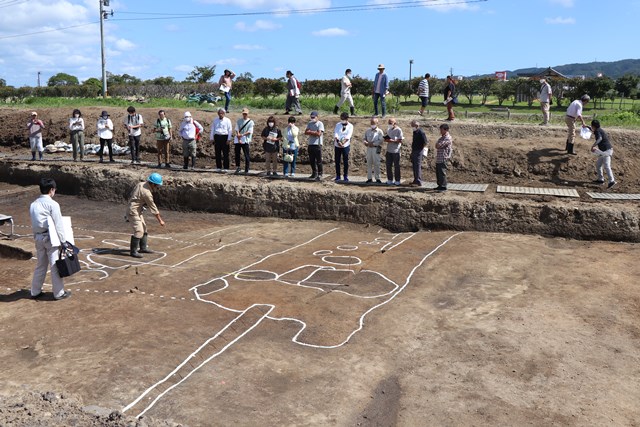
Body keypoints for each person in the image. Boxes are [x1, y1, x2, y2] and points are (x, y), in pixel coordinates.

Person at [29, 177, 71, 300]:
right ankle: (58, 293)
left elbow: (34, 222)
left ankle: (35, 291)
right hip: (50, 238)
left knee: (40, 265)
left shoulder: (33, 204)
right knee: (55, 265)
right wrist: (63, 241)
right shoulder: (53, 204)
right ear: (51, 190)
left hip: (38, 237)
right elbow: (58, 225)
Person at [126, 173, 165, 258]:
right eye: (157, 186)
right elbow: (153, 208)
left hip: (137, 209)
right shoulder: (147, 193)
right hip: (133, 211)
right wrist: (160, 220)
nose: (158, 188)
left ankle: (143, 248)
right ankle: (133, 252)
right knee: (139, 231)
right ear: (153, 184)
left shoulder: (141, 184)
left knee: (144, 229)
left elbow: (133, 195)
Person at [588, 119, 616, 189]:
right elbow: (593, 131)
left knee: (607, 166)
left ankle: (612, 181)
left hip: (607, 151)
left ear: (594, 126)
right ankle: (601, 179)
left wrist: (593, 145)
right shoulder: (598, 130)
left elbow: (599, 138)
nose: (591, 127)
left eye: (591, 126)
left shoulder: (598, 131)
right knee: (598, 165)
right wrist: (587, 127)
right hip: (603, 151)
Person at [334, 112, 354, 182]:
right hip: (337, 145)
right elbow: (336, 133)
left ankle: (345, 176)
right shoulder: (338, 125)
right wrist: (338, 142)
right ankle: (338, 175)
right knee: (337, 161)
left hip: (345, 146)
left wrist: (343, 142)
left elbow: (349, 135)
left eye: (343, 119)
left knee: (345, 161)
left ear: (347, 119)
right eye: (341, 119)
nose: (342, 120)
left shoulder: (350, 126)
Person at [304, 111, 325, 180]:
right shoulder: (310, 123)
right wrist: (314, 132)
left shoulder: (320, 124)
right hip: (311, 143)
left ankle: (320, 173)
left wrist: (311, 132)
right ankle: (314, 173)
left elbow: (319, 134)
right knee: (312, 160)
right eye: (311, 117)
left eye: (313, 117)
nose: (312, 118)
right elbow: (306, 132)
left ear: (317, 117)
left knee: (318, 160)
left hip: (317, 144)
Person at [363, 117, 384, 183]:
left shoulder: (379, 131)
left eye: (374, 123)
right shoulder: (367, 130)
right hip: (369, 148)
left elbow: (381, 140)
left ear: (377, 123)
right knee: (369, 163)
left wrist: (373, 144)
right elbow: (364, 138)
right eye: (371, 123)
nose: (372, 124)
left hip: (376, 148)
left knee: (376, 163)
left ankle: (377, 178)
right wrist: (365, 142)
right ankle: (369, 178)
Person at [234, 107, 254, 174]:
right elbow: (236, 129)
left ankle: (247, 168)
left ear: (248, 114)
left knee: (246, 154)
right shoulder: (239, 121)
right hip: (239, 139)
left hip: (245, 139)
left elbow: (250, 131)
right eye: (243, 114)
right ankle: (238, 167)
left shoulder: (251, 122)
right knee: (237, 154)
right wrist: (238, 136)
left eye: (246, 114)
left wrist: (241, 135)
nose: (244, 115)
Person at [384, 118, 403, 185]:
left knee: (396, 166)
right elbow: (387, 138)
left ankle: (397, 180)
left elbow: (400, 140)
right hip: (389, 150)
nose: (389, 124)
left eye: (390, 123)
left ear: (394, 123)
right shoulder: (388, 129)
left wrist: (394, 141)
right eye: (388, 123)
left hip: (396, 151)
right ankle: (390, 179)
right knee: (388, 165)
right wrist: (387, 140)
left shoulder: (399, 130)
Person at [435, 123, 453, 192]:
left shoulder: (448, 138)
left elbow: (438, 145)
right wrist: (438, 144)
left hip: (443, 157)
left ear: (446, 130)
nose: (440, 131)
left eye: (441, 130)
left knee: (442, 172)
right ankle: (440, 185)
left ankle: (443, 186)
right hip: (439, 157)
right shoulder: (442, 137)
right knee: (438, 172)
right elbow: (436, 145)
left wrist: (438, 144)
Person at [410, 120, 428, 186]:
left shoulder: (421, 132)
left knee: (417, 166)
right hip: (414, 150)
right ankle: (415, 180)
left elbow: (425, 142)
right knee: (414, 165)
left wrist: (421, 149)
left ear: (417, 126)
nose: (412, 127)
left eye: (412, 126)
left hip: (419, 150)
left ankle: (418, 181)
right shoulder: (415, 132)